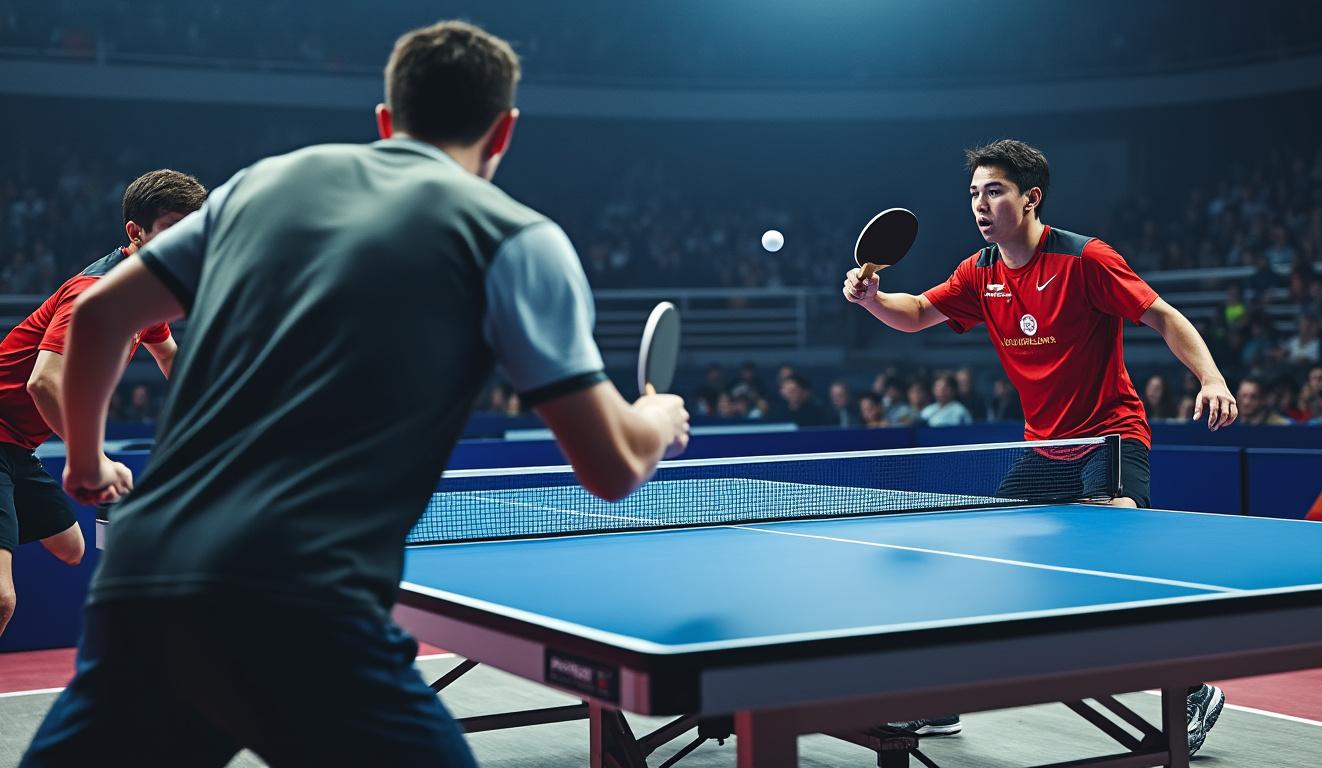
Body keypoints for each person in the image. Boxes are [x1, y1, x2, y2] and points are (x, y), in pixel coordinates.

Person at [23, 21, 689, 768]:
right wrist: (657, 418)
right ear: (503, 131)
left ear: (385, 120)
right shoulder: (516, 238)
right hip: (299, 598)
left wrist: (82, 459)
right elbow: (608, 468)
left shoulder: (261, 184)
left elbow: (104, 313)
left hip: (144, 580)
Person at [843, 139, 1236, 755]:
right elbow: (917, 311)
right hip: (1045, 450)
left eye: (994, 190)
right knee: (981, 562)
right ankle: (943, 694)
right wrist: (871, 299)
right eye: (973, 193)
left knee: (1116, 568)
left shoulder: (1086, 259)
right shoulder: (981, 272)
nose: (980, 204)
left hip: (1110, 437)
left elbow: (1164, 317)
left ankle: (1189, 687)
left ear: (1031, 198)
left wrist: (1211, 378)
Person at [0, 169, 200, 639]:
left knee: (71, 547)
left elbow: (177, 362)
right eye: (175, 230)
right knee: (2, 598)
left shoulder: (144, 295)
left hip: (18, 448)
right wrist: (95, 457)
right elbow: (43, 384)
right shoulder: (93, 292)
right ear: (136, 232)